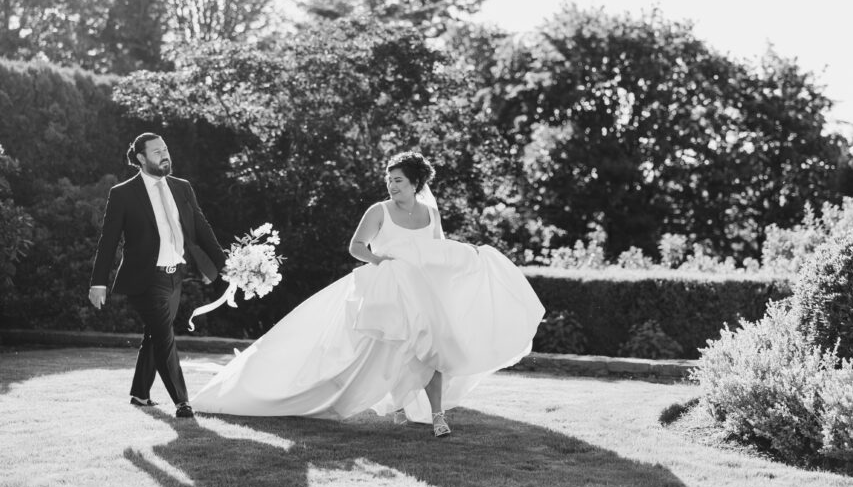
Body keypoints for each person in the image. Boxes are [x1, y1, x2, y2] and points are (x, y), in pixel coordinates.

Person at [192, 151, 545, 437]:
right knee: (369, 353)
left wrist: (467, 259)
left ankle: (437, 416)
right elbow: (356, 247)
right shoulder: (378, 211)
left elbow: (436, 253)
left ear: (416, 183)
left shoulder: (430, 213)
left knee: (431, 349)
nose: (392, 186)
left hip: (422, 294)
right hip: (383, 290)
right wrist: (380, 259)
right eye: (389, 180)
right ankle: (384, 402)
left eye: (399, 180)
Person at [89, 133, 226, 418]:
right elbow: (108, 241)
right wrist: (98, 282)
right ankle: (182, 401)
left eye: (165, 149)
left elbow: (202, 227)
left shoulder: (183, 187)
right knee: (164, 336)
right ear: (141, 158)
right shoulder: (123, 193)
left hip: (175, 277)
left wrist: (224, 263)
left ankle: (140, 394)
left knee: (155, 334)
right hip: (144, 279)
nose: (165, 155)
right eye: (157, 151)